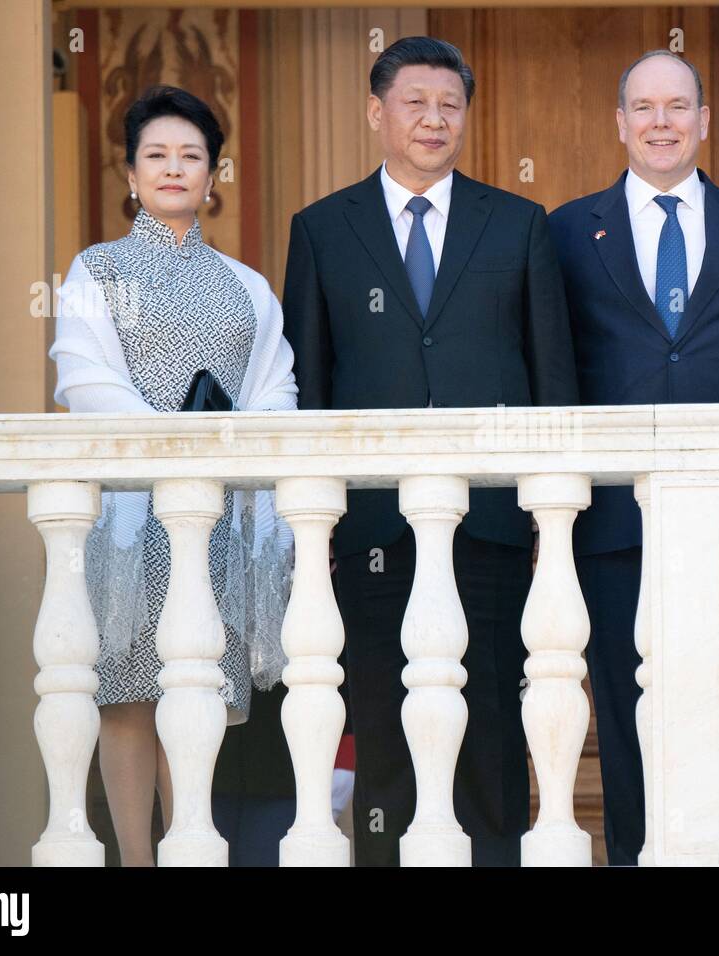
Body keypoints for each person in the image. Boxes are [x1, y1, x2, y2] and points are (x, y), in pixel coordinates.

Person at [281, 36, 578, 866]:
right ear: (377, 112)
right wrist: (320, 533)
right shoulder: (323, 229)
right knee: (382, 728)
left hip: (490, 527)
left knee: (488, 727)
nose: (433, 119)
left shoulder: (518, 224)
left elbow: (554, 383)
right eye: (415, 102)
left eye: (450, 104)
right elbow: (310, 388)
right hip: (373, 530)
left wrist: (550, 524)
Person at [548, 50, 719, 865]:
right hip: (612, 521)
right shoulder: (568, 231)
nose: (661, 122)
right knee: (624, 710)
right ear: (620, 123)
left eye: (678, 106)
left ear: (704, 121)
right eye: (644, 107)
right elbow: (554, 374)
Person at [50, 85, 297, 866]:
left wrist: (221, 445)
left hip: (216, 515)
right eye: (155, 154)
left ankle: (192, 843)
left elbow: (276, 389)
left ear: (212, 173)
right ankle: (136, 858)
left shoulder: (247, 284)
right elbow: (84, 380)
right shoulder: (97, 269)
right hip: (128, 514)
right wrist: (169, 446)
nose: (173, 168)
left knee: (193, 692)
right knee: (125, 695)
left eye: (190, 156)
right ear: (129, 173)